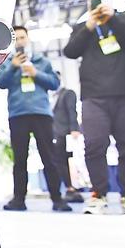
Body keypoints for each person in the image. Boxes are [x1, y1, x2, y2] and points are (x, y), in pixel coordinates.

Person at [63, 0, 125, 215]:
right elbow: (70, 52)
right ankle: (98, 194)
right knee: (94, 145)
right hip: (93, 96)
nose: (98, 0)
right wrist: (90, 26)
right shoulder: (83, 27)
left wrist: (113, 19)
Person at [0, 26, 71, 212]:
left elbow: (55, 83)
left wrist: (36, 73)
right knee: (20, 159)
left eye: (22, 37)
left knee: (49, 157)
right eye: (16, 39)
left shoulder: (42, 62)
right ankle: (18, 200)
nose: (20, 41)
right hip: (17, 114)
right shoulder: (7, 62)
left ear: (28, 39)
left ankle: (57, 199)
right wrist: (13, 66)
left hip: (41, 114)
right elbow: (0, 82)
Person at [50, 73, 83, 204]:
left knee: (69, 162)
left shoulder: (68, 93)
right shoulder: (51, 97)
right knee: (60, 162)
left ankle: (72, 187)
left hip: (67, 134)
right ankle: (69, 187)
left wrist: (74, 129)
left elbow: (72, 111)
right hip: (56, 135)